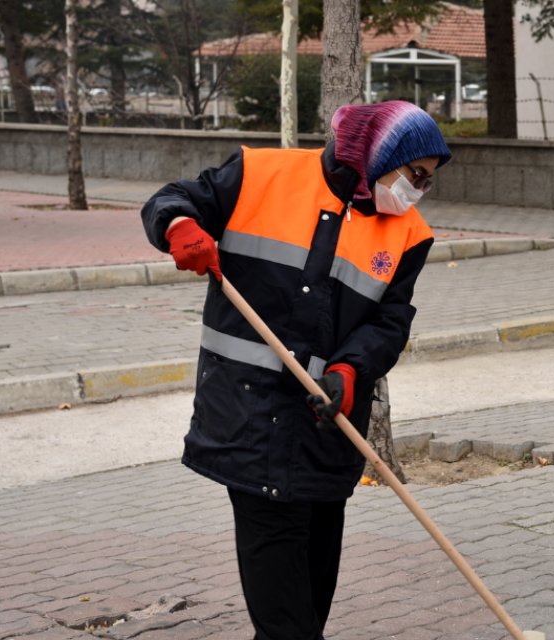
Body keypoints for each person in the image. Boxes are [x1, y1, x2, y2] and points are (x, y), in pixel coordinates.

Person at [140, 100, 451, 640]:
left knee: (308, 608)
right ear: (380, 156)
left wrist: (351, 371)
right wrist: (179, 225)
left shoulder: (408, 234)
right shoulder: (260, 175)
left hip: (326, 438)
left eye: (427, 182)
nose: (417, 191)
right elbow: (174, 198)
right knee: (289, 628)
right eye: (415, 175)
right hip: (249, 425)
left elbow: (389, 322)